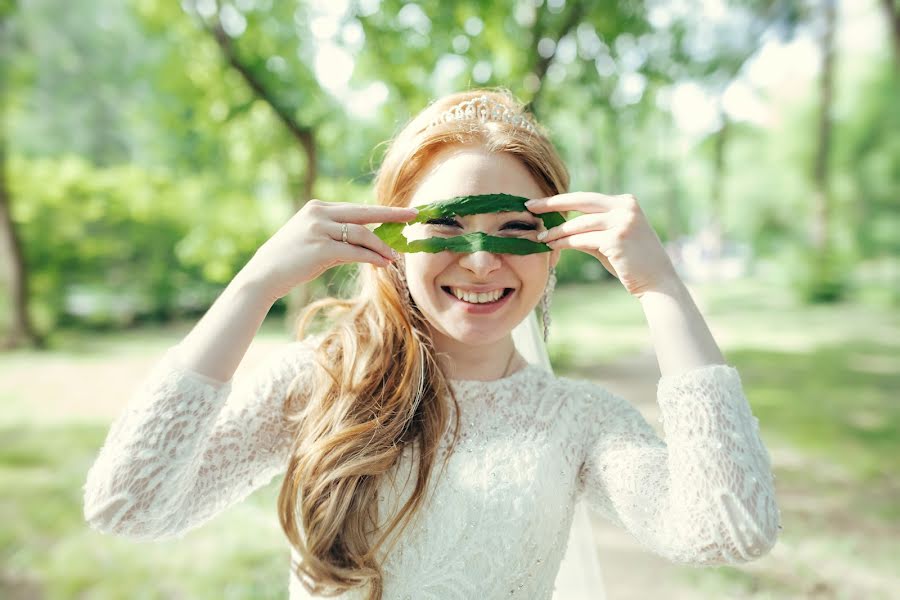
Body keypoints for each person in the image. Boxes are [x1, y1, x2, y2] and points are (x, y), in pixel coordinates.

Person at [82, 88, 781, 599]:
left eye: (514, 232)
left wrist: (661, 287)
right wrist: (251, 288)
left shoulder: (580, 422)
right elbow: (127, 506)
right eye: (447, 232)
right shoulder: (319, 384)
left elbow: (730, 528)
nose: (481, 263)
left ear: (556, 251)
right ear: (391, 240)